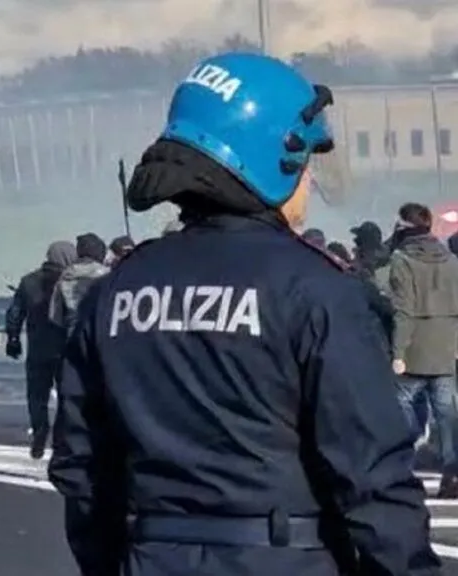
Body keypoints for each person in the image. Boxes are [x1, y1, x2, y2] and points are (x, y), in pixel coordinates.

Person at [48, 52, 438, 575]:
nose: (308, 183)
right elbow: (371, 474)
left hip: (151, 556)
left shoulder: (114, 292)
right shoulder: (318, 291)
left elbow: (83, 468)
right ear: (278, 156)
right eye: (306, 164)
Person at [387, 202, 458, 498]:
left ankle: (400, 467)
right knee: (446, 414)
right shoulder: (452, 260)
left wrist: (398, 352)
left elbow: (403, 310)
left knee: (402, 407)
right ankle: (451, 471)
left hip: (414, 345)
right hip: (445, 347)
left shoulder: (401, 261)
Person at [5, 241, 75, 459]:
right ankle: (62, 438)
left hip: (37, 347)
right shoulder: (70, 281)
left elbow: (15, 313)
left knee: (37, 396)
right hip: (65, 349)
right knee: (67, 395)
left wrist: (13, 338)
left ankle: (39, 433)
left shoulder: (28, 281)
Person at [49, 233, 109, 334]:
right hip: (104, 333)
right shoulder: (109, 275)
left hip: (75, 335)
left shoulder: (65, 278)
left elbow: (55, 316)